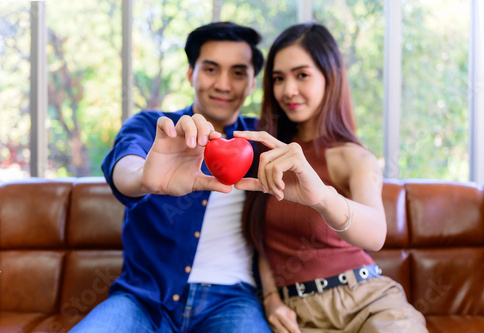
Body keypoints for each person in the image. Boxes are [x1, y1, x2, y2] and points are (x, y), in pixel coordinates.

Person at [69, 21, 271, 333]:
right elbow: (125, 168)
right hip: (144, 299)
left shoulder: (265, 140)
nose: (224, 84)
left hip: (232, 301)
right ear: (191, 73)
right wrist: (143, 179)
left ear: (253, 82)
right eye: (211, 69)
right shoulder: (156, 127)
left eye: (239, 72)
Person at [235, 23, 428, 333]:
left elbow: (376, 234)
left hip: (366, 302)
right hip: (297, 317)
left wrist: (323, 198)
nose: (288, 90)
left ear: (330, 77)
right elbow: (261, 242)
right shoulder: (267, 154)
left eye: (302, 75)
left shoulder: (352, 157)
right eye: (278, 78)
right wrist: (271, 299)